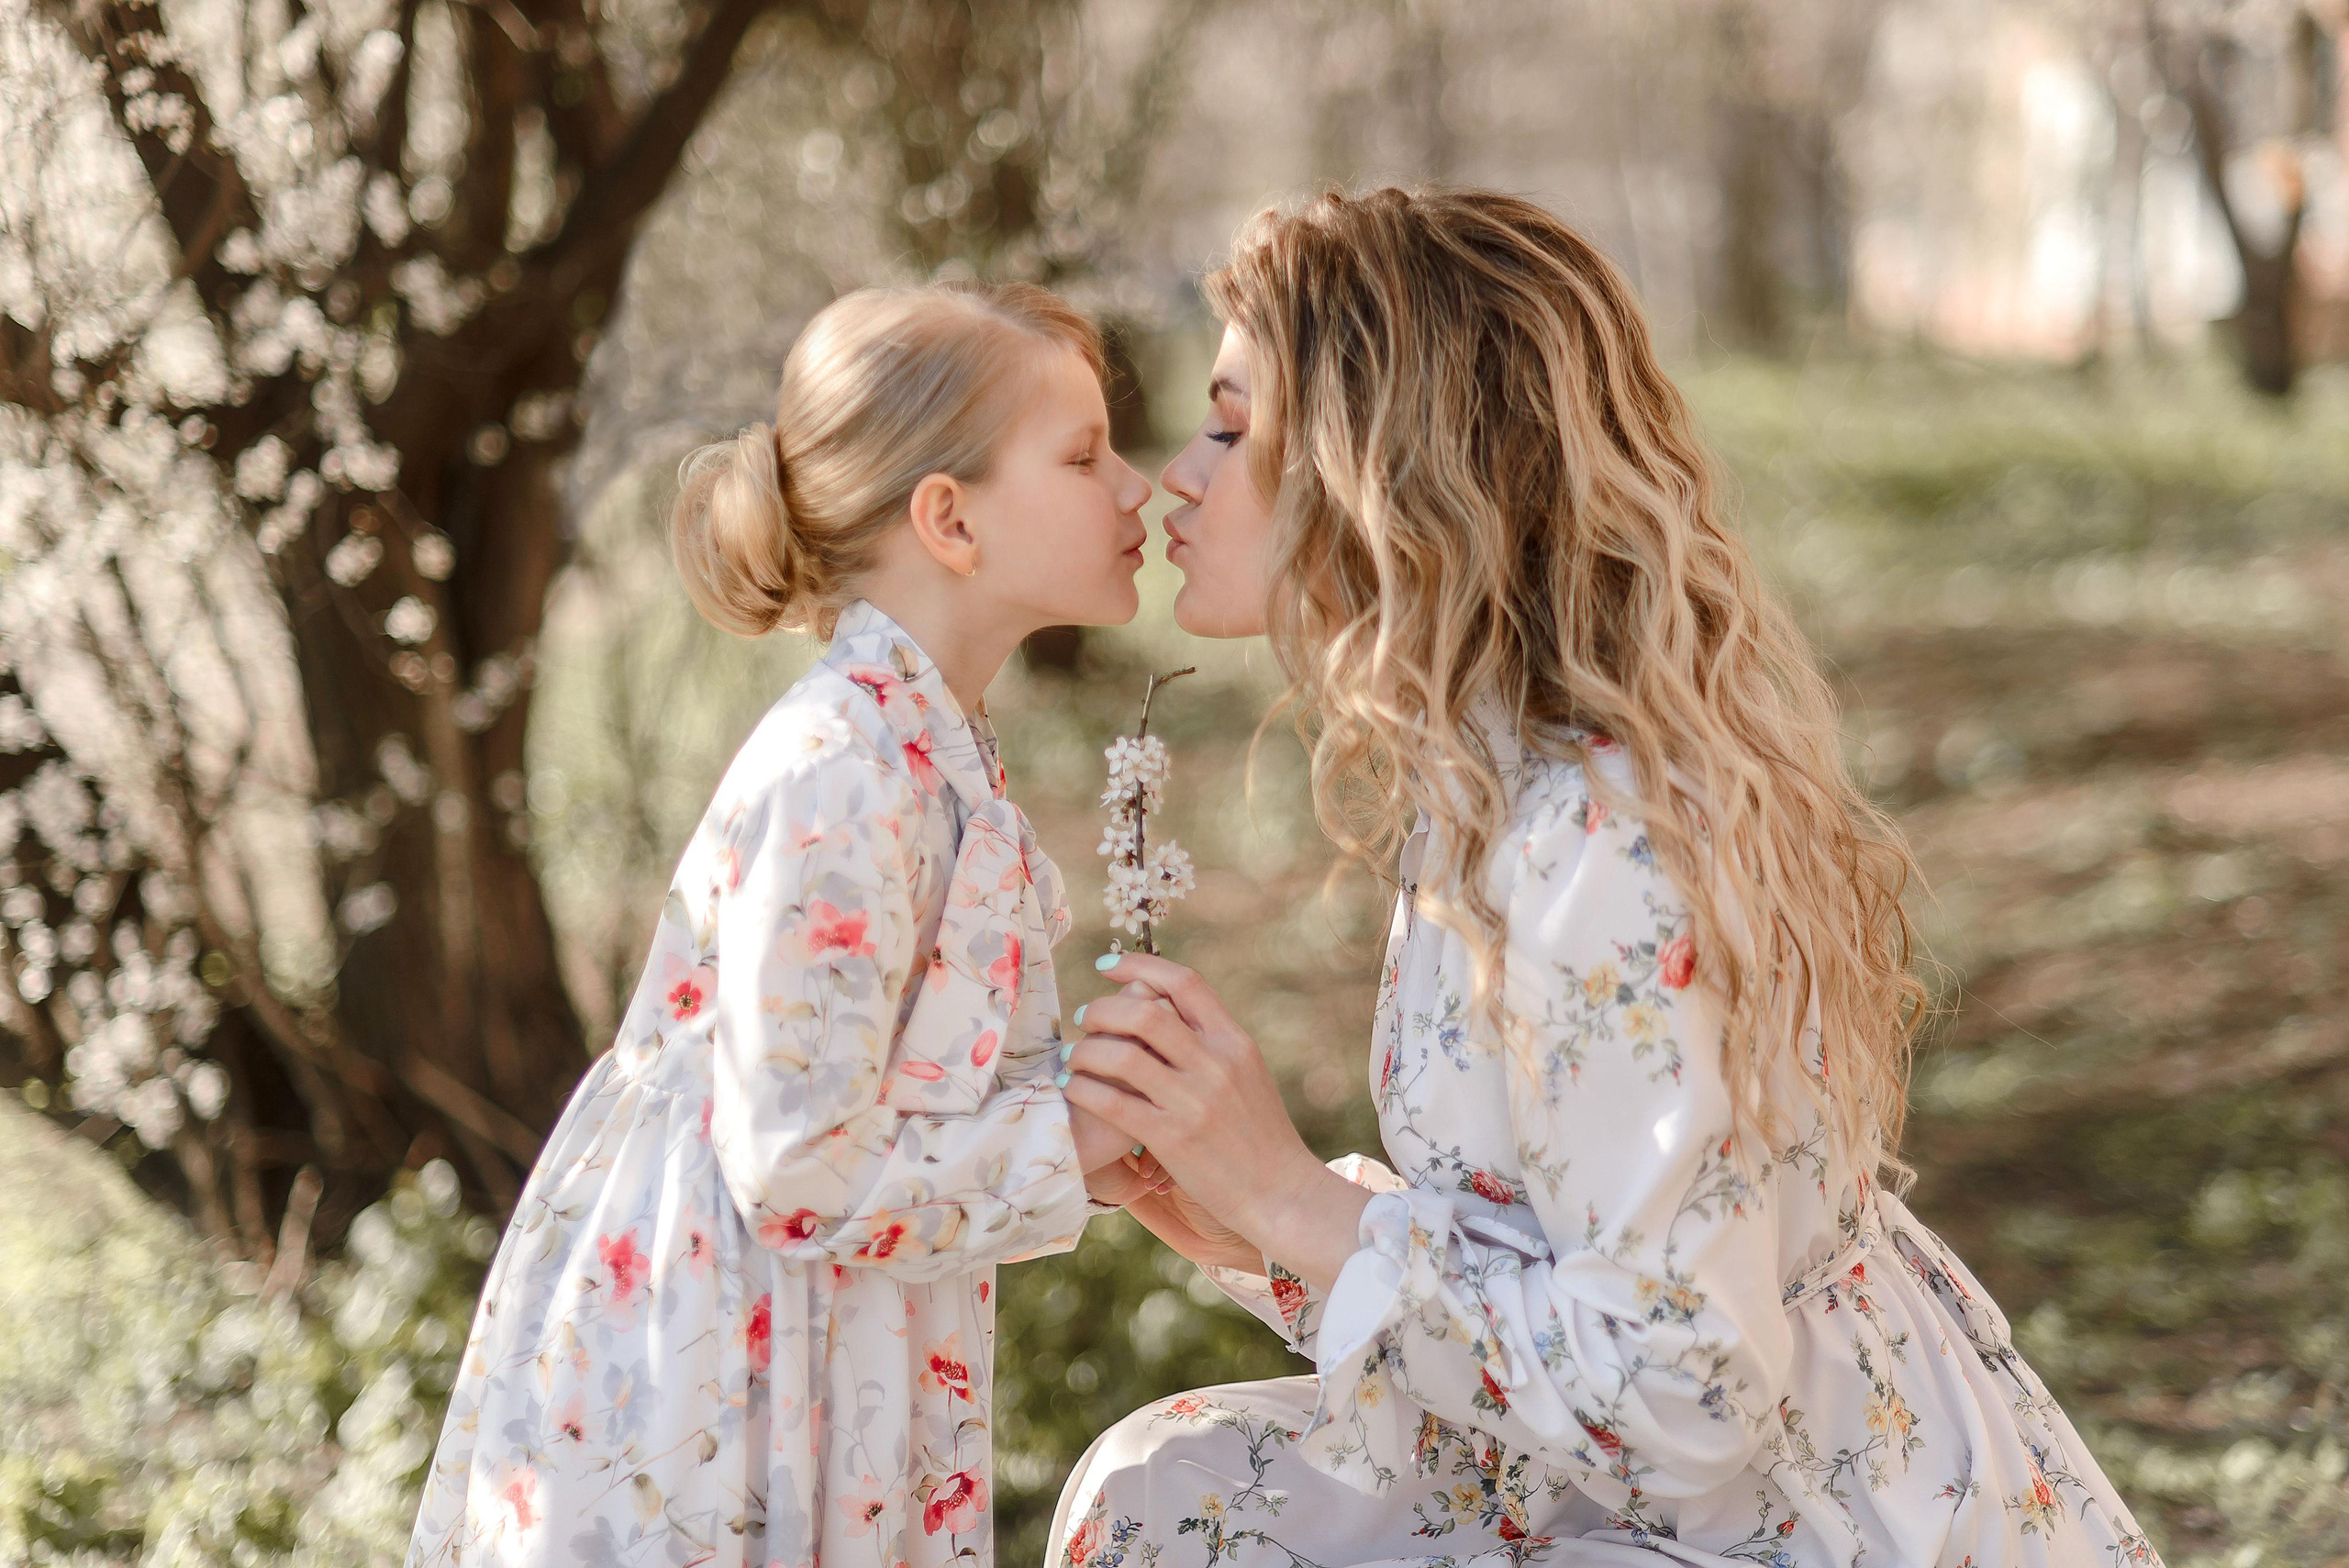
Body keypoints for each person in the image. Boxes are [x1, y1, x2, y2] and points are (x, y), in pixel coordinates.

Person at [1052, 188, 2161, 1568]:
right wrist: (1246, 1212)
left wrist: (1292, 1195)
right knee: (1170, 1499)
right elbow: (1571, 1252)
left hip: (1786, 1519)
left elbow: (1689, 1397)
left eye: (1230, 424)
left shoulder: (1597, 837)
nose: (1180, 474)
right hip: (1654, 1486)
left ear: (1374, 469)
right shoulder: (1491, 778)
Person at [405, 281, 1165, 1568]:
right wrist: (1067, 1144)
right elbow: (797, 1165)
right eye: (1086, 455)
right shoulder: (842, 769)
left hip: (827, 1338)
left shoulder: (927, 747)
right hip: (719, 1381)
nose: (1136, 489)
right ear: (950, 518)